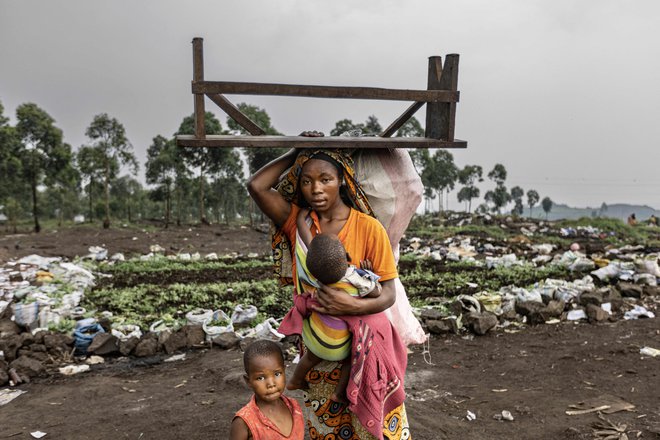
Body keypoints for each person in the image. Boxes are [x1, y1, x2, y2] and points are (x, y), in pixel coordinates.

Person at [247, 143, 410, 439]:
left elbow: (388, 294)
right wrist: (297, 151)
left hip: (364, 347)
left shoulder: (369, 228)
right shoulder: (302, 223)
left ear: (342, 181)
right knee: (327, 430)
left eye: (325, 179)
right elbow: (257, 186)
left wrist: (351, 306)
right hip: (319, 349)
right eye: (306, 181)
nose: (315, 189)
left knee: (375, 432)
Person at [286, 229, 381, 403]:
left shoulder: (314, 280)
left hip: (317, 341)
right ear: (348, 256)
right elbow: (376, 293)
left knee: (309, 358)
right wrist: (370, 275)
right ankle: (338, 393)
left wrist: (301, 220)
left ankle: (294, 380)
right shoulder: (355, 277)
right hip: (340, 347)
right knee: (351, 359)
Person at [230, 339, 305, 440]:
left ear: (284, 371)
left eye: (277, 374)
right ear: (248, 381)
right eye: (260, 378)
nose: (271, 384)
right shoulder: (244, 421)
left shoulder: (294, 407)